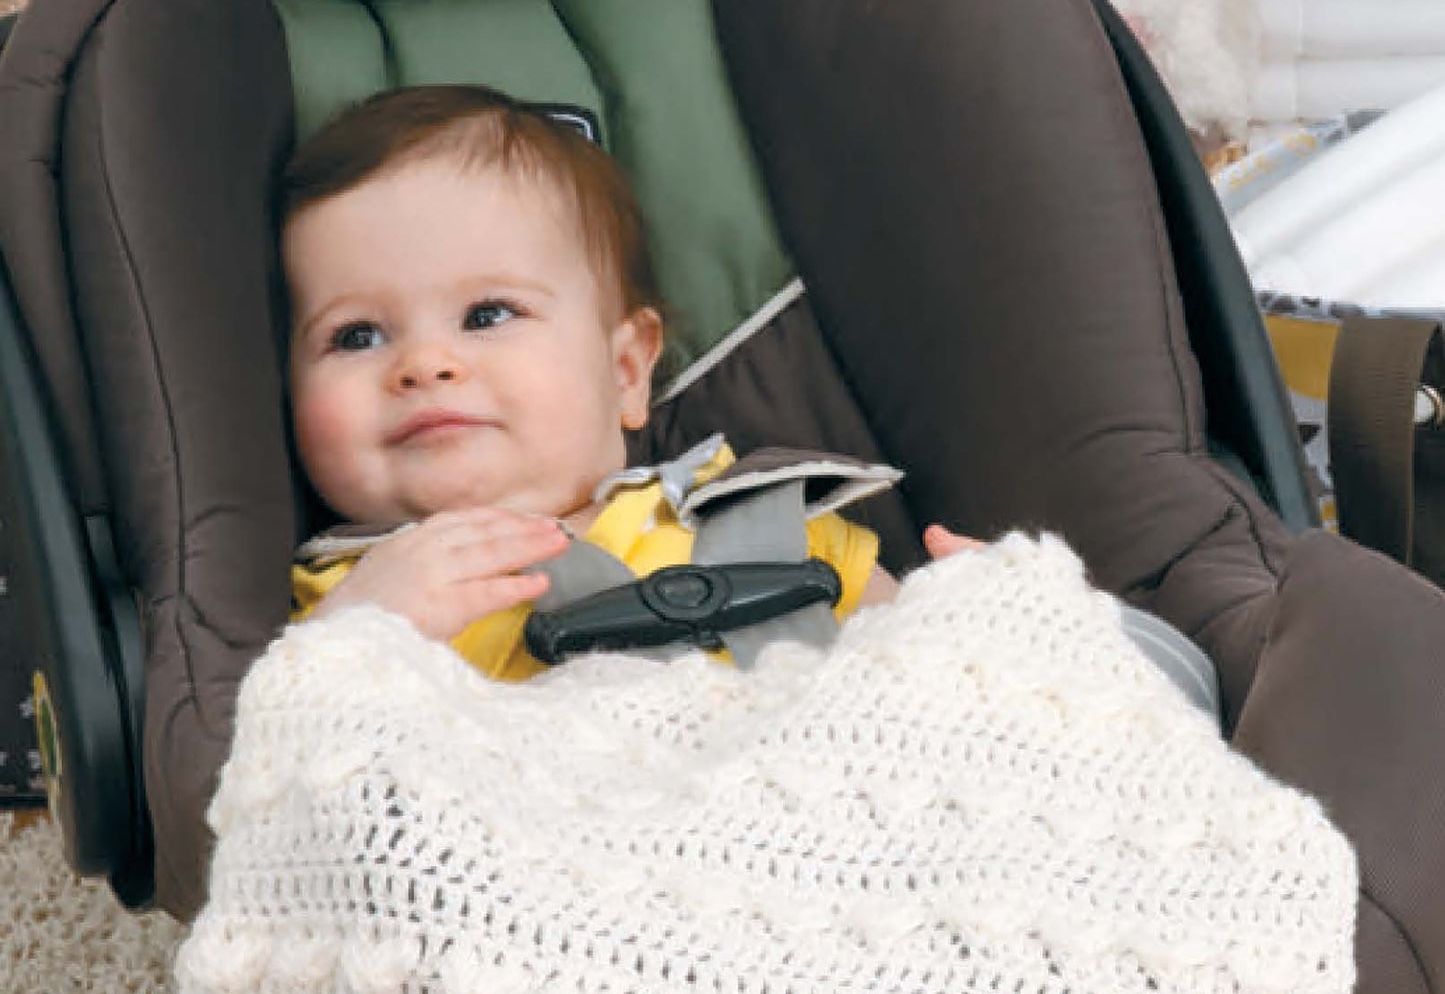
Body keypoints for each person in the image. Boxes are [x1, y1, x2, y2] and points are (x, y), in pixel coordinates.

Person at [280, 83, 974, 677]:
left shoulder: (765, 525)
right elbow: (289, 770)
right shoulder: (354, 597)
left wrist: (983, 621)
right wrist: (355, 637)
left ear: (625, 370)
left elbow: (933, 679)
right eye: (356, 335)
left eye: (487, 314)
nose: (425, 363)